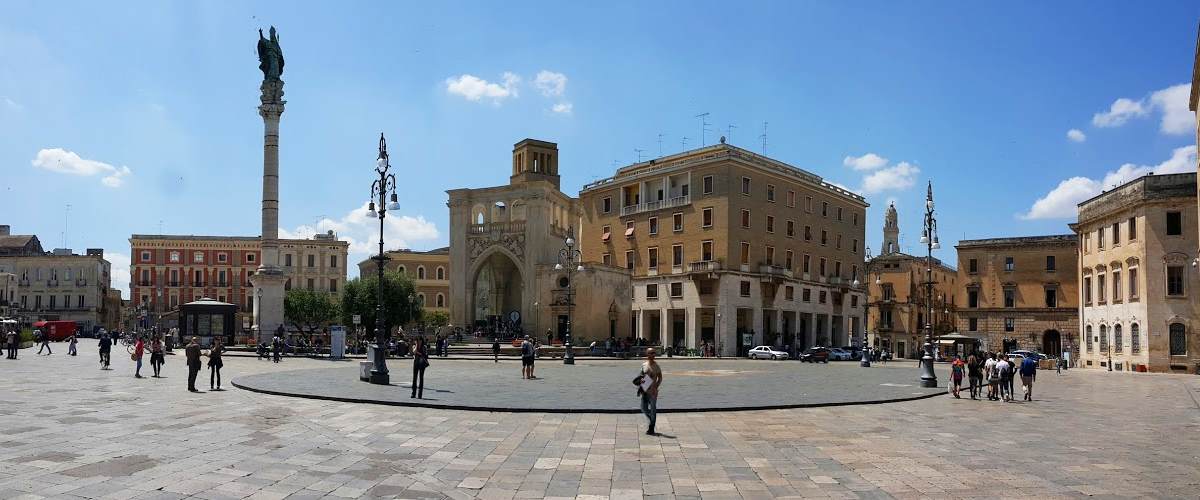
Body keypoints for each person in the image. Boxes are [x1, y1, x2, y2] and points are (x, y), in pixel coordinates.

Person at [639, 348, 663, 436]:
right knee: (643, 408)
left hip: (653, 391)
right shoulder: (644, 365)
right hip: (645, 390)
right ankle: (651, 420)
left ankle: (651, 427)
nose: (653, 355)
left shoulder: (656, 366)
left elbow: (660, 378)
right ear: (647, 354)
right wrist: (640, 387)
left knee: (653, 409)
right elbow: (641, 377)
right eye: (651, 353)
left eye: (654, 353)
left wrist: (656, 386)